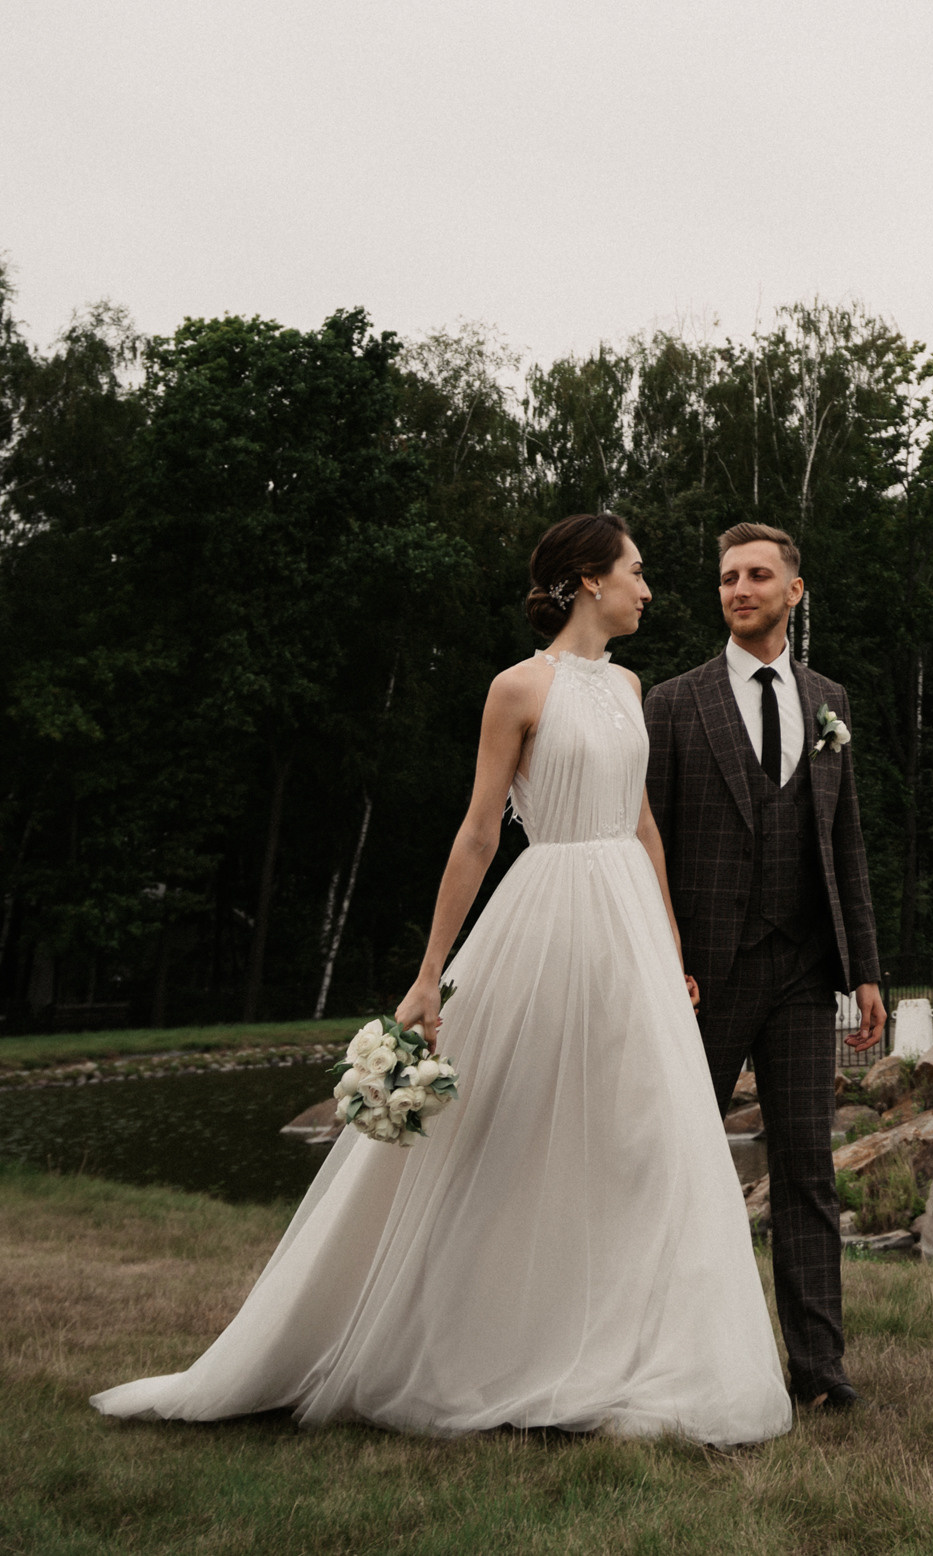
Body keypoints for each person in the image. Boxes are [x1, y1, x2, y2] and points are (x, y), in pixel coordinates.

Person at [94, 515, 789, 1445]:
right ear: (589, 580)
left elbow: (641, 823)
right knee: (510, 1125)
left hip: (629, 925)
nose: (648, 588)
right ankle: (479, 1339)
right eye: (636, 571)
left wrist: (668, 937)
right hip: (550, 914)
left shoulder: (630, 686)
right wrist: (430, 974)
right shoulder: (518, 688)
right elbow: (477, 831)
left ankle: (634, 1341)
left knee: (641, 1135)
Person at [646, 523, 884, 1413]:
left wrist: (865, 968)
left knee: (807, 1171)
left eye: (755, 575)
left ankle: (819, 1371)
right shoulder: (674, 703)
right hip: (704, 974)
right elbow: (647, 845)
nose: (738, 589)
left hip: (804, 970)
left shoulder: (830, 701)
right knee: (679, 1164)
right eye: (726, 578)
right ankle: (669, 1357)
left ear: (793, 590)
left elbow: (845, 842)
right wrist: (665, 957)